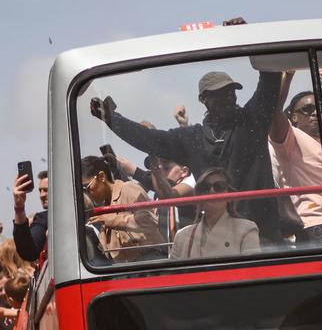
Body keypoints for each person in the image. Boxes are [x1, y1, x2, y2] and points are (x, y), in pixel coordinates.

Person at [90, 55, 294, 245]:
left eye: (230, 92)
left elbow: (270, 80)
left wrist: (246, 35)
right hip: (218, 238)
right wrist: (112, 119)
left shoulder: (252, 122)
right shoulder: (192, 138)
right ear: (204, 99)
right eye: (219, 94)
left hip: (264, 236)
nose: (228, 98)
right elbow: (150, 140)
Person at [268, 72, 322, 246]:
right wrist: (288, 76)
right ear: (293, 117)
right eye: (307, 110)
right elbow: (272, 110)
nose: (315, 113)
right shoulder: (290, 140)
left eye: (320, 108)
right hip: (317, 227)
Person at [81, 155, 163, 262]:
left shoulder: (127, 189)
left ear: (101, 177)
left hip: (150, 263)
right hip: (126, 270)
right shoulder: (103, 207)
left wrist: (115, 221)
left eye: (87, 188)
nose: (87, 194)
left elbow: (149, 221)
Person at [169, 168, 260, 259]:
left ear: (230, 196)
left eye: (219, 187)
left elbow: (253, 270)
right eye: (205, 188)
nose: (212, 191)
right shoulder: (182, 236)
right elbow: (172, 272)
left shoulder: (246, 229)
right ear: (199, 197)